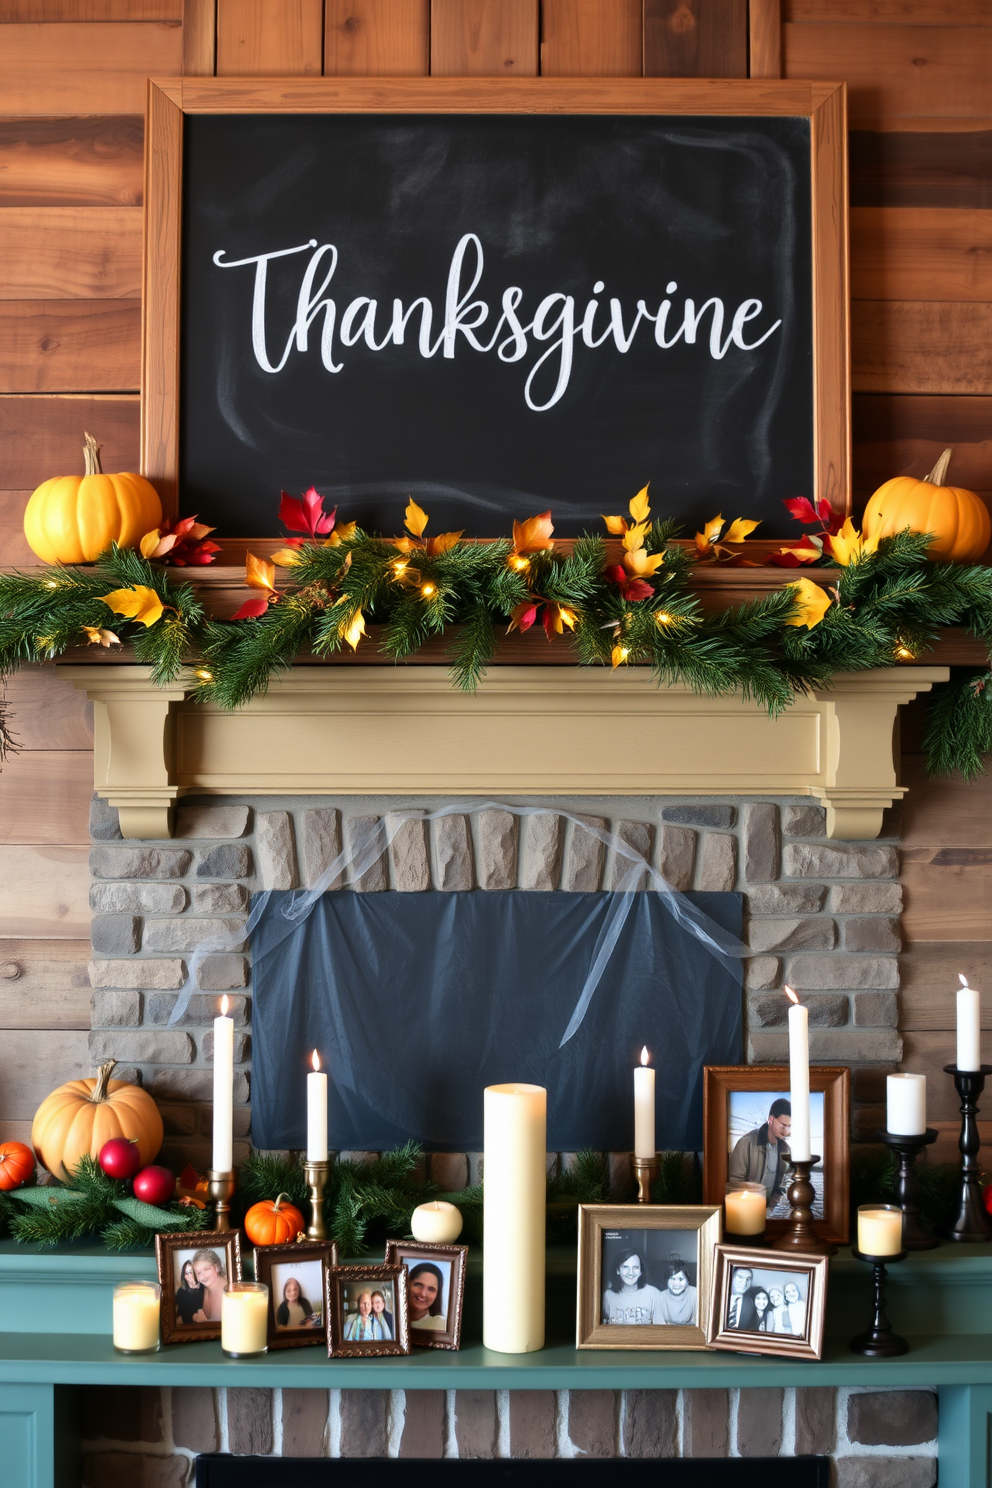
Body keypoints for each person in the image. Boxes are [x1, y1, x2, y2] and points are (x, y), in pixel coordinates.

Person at [728, 1099, 792, 1207]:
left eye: (789, 1126)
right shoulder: (746, 1143)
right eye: (783, 1125)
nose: (787, 1131)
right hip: (745, 1210)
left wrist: (771, 1210)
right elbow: (734, 1183)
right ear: (770, 1120)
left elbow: (784, 1184)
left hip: (769, 1213)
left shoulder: (786, 1150)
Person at [601, 1248, 666, 1325]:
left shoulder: (654, 1294)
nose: (630, 1272)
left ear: (641, 1271)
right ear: (618, 1270)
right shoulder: (608, 1296)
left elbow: (660, 1330)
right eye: (625, 1267)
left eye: (635, 1267)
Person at [656, 1256, 697, 1326]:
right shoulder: (661, 1296)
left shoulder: (695, 1294)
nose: (676, 1284)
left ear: (687, 1280)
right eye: (672, 1279)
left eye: (681, 1279)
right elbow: (658, 1322)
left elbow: (697, 1323)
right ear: (667, 1280)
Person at [190, 1249, 227, 1323]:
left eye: (207, 1269)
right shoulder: (204, 1289)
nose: (203, 1276)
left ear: (217, 1267)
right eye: (199, 1273)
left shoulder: (227, 1293)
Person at [408, 1263, 445, 1332]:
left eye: (431, 1289)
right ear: (406, 1285)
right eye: (418, 1285)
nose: (423, 1294)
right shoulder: (391, 1317)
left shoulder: (441, 1324)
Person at [175, 1259, 205, 1326]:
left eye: (190, 1272)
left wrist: (195, 1285)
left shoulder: (203, 1288)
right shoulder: (181, 1291)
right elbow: (179, 1313)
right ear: (184, 1276)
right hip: (185, 1325)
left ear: (195, 1273)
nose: (189, 1276)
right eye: (186, 1273)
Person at [726, 1266, 756, 1331]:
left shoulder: (752, 1305)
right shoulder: (718, 1297)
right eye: (740, 1277)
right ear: (732, 1277)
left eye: (748, 1279)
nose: (744, 1283)